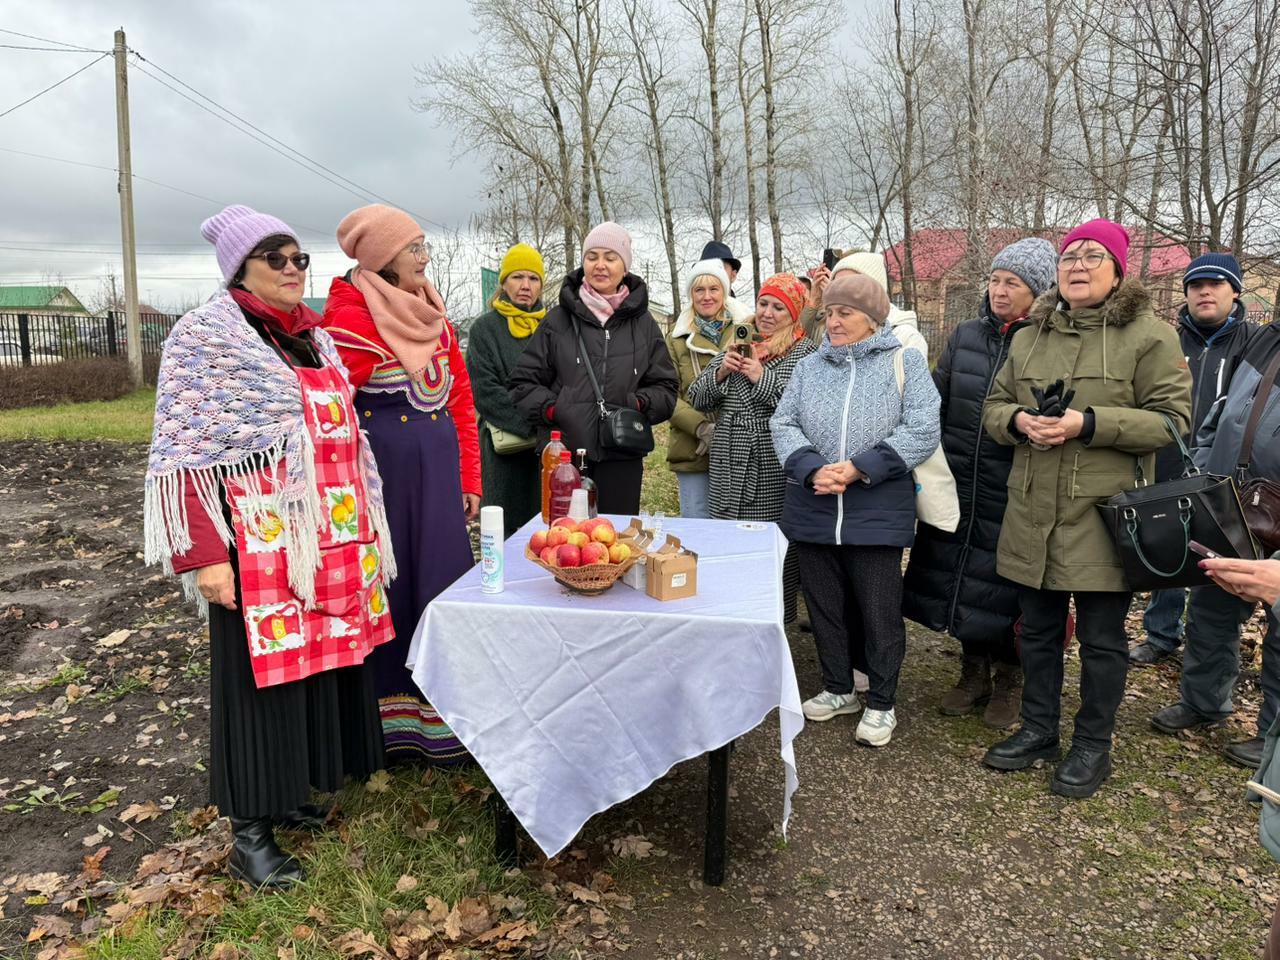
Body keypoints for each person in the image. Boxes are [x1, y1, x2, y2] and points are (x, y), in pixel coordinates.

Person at [144, 205, 395, 888]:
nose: (292, 270)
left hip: (325, 537)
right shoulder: (205, 339)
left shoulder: (313, 339)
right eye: (275, 259)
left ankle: (289, 794)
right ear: (240, 270)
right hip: (251, 543)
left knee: (308, 671)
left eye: (299, 258)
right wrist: (205, 560)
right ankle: (249, 836)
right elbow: (184, 455)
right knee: (254, 683)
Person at [980, 218, 1192, 798]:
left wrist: (1088, 424)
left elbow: (1174, 424)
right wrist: (1021, 423)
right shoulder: (1029, 335)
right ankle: (1039, 729)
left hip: (1104, 515)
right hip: (1033, 511)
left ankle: (1093, 745)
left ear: (1118, 270)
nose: (1077, 265)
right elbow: (994, 408)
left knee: (1102, 641)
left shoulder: (1151, 336)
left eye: (1093, 255)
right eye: (1070, 255)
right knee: (1040, 632)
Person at [322, 204, 480, 767]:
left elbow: (460, 401)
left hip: (438, 482)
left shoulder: (431, 314)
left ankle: (443, 726)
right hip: (383, 485)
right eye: (414, 248)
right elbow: (330, 411)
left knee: (440, 585)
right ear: (383, 258)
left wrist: (470, 479)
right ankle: (387, 733)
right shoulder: (348, 322)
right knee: (390, 590)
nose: (425, 257)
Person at [771, 274, 941, 748]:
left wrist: (860, 468)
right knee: (825, 607)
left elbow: (924, 428)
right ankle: (839, 688)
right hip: (813, 506)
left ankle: (882, 702)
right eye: (829, 312)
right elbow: (783, 422)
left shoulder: (904, 361)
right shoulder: (808, 367)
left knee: (879, 611)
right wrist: (810, 469)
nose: (834, 321)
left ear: (872, 319)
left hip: (877, 511)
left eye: (845, 312)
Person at [903, 237, 1058, 727]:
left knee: (1005, 584)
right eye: (995, 280)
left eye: (1013, 283)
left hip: (1013, 482)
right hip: (957, 477)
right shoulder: (966, 335)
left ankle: (1010, 679)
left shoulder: (1047, 342)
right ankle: (972, 672)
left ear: (1038, 291)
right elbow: (938, 400)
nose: (999, 290)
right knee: (959, 574)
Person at [1150, 307, 1280, 768]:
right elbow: (1222, 410)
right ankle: (1203, 702)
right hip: (1231, 502)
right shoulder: (1264, 339)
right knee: (1211, 604)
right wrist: (1202, 467)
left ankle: (1274, 736)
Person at [1130, 253, 1258, 666]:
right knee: (1168, 548)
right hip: (1167, 461)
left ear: (1234, 291)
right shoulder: (1165, 340)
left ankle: (1210, 659)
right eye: (1195, 285)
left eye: (1216, 284)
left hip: (1224, 473)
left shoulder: (1253, 344)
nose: (1205, 292)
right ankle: (1161, 634)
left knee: (1215, 563)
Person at [510, 222, 678, 515]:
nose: (600, 265)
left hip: (622, 458)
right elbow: (522, 384)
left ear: (624, 267)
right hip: (564, 460)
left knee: (616, 544)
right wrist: (555, 409)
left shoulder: (644, 325)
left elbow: (666, 390)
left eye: (610, 258)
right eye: (592, 256)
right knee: (564, 546)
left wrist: (635, 403)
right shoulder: (557, 321)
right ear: (583, 262)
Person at [689, 272, 815, 620]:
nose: (768, 313)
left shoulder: (805, 352)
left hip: (769, 464)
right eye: (763, 303)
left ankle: (771, 618)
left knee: (767, 545)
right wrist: (721, 372)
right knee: (728, 542)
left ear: (794, 313)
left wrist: (762, 377)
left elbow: (804, 410)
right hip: (728, 459)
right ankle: (729, 613)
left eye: (778, 307)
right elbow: (696, 397)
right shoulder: (741, 340)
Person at [466, 243, 547, 537]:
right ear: (503, 282)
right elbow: (485, 390)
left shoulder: (553, 327)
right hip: (503, 451)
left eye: (533, 278)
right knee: (504, 532)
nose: (525, 286)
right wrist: (534, 424)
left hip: (547, 452)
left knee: (546, 532)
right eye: (517, 277)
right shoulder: (484, 329)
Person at [665, 259, 753, 518]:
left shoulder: (745, 331)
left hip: (739, 446)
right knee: (698, 524)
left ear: (724, 292)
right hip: (694, 448)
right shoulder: (675, 339)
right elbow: (667, 394)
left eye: (714, 289)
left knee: (736, 527)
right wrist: (701, 427)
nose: (706, 297)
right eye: (699, 290)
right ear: (691, 295)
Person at [800, 250, 929, 360]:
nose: (839, 291)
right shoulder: (833, 332)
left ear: (875, 289)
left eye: (850, 286)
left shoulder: (906, 338)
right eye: (837, 285)